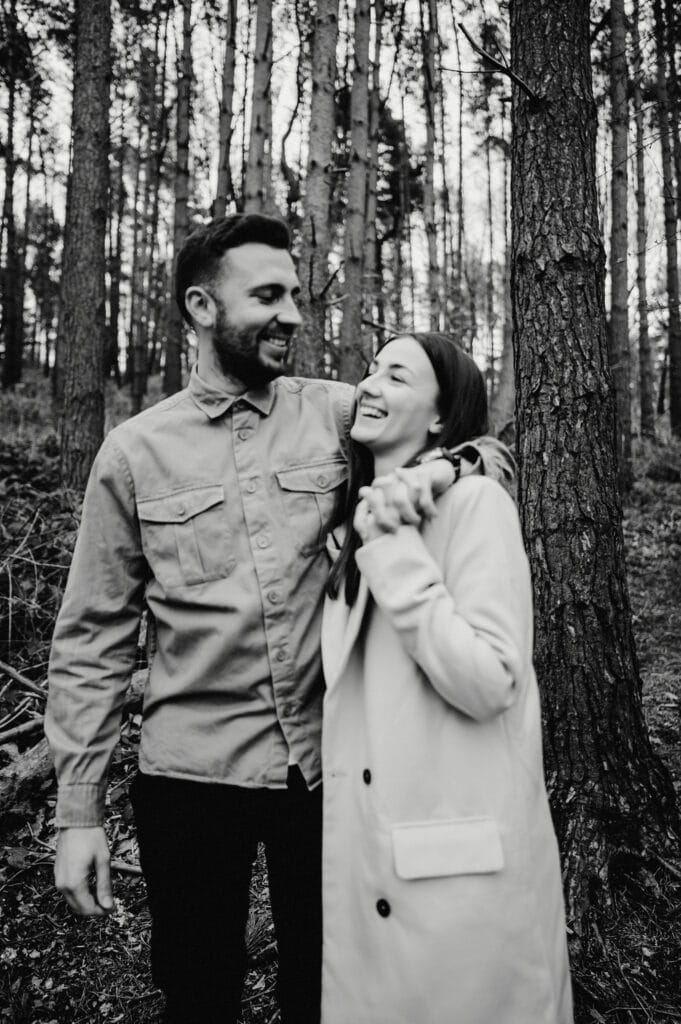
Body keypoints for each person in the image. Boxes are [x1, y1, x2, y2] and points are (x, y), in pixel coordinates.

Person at [45, 215, 491, 1024]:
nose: (292, 313)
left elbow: (454, 428)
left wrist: (460, 467)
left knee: (329, 991)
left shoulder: (337, 413)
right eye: (267, 295)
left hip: (327, 771)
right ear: (202, 308)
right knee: (198, 989)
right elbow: (91, 639)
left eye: (295, 293)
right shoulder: (133, 454)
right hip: (189, 779)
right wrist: (78, 812)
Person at [321, 332, 573, 1024]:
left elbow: (492, 679)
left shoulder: (474, 508)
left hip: (458, 884)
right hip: (370, 867)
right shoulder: (356, 527)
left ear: (439, 416)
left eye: (395, 377)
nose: (368, 386)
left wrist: (397, 557)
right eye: (368, 371)